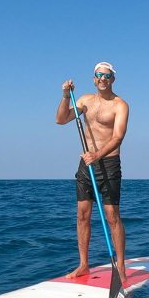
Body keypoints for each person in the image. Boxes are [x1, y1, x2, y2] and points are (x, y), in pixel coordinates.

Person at [56, 62, 129, 284]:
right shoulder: (85, 101)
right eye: (99, 75)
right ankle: (83, 264)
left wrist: (97, 156)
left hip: (108, 164)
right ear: (94, 78)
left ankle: (121, 265)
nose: (102, 79)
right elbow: (61, 119)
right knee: (82, 215)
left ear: (112, 79)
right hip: (86, 166)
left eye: (107, 76)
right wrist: (66, 96)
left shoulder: (120, 105)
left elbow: (117, 137)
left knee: (112, 216)